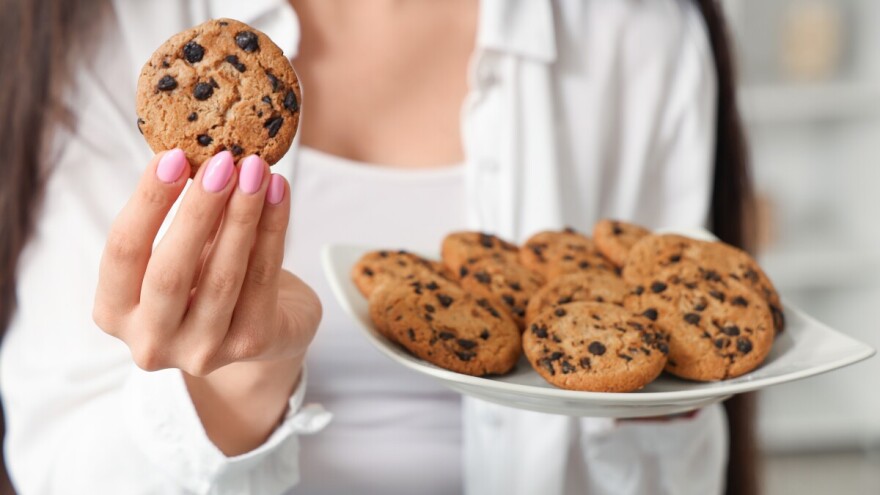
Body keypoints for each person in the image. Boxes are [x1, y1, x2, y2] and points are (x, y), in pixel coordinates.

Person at [0, 0, 758, 493]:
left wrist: (656, 398)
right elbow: (58, 466)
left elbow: (672, 438)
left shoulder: (642, 36)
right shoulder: (98, 31)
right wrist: (240, 381)